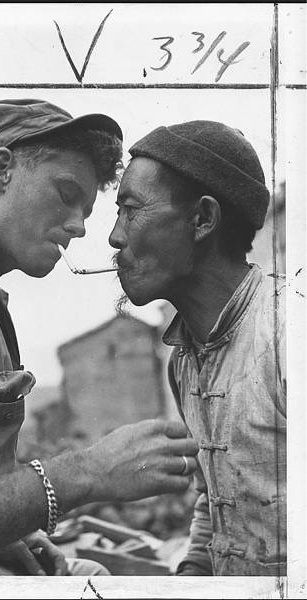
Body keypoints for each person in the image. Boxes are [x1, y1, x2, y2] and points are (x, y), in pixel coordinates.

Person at [0, 99, 199, 576]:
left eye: (86, 211)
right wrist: (85, 473)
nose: (78, 226)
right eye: (66, 194)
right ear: (1, 169)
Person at [109, 120, 286, 576]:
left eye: (130, 210)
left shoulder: (287, 335)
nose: (115, 237)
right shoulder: (184, 362)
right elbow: (218, 496)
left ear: (203, 219)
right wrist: (192, 572)